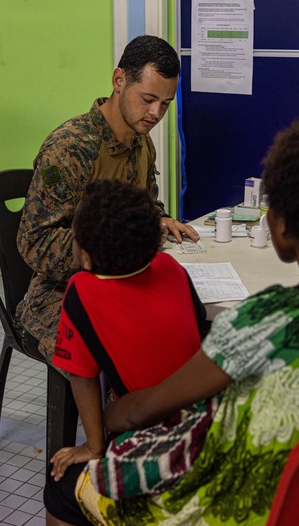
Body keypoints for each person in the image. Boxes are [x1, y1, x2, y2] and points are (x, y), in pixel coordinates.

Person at [47, 114, 299, 526]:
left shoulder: (270, 317)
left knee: (64, 487)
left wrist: (111, 416)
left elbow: (143, 408)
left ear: (281, 224)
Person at [43, 178, 207, 526]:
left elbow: (81, 376)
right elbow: (199, 333)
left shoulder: (82, 290)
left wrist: (94, 446)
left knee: (59, 489)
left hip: (159, 444)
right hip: (207, 427)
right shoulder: (171, 267)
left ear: (85, 255)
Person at [16, 35, 200, 365]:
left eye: (166, 104)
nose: (156, 113)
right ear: (119, 81)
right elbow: (33, 242)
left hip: (122, 280)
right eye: (147, 99)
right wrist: (114, 246)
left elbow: (147, 205)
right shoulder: (70, 148)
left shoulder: (141, 141)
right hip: (61, 292)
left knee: (182, 326)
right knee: (126, 348)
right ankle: (116, 417)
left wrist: (158, 219)